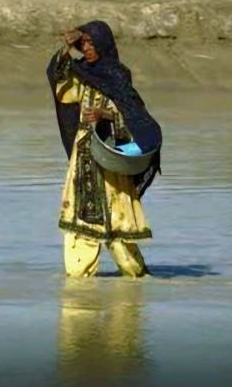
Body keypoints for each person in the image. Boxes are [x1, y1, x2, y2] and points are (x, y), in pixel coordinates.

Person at [48, 21, 162, 278]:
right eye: (83, 43)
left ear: (102, 44)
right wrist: (66, 48)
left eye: (91, 42)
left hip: (110, 157)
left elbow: (133, 115)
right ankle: (78, 286)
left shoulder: (118, 75)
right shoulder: (80, 72)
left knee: (118, 225)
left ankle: (135, 279)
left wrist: (105, 115)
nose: (86, 47)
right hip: (83, 156)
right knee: (79, 228)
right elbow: (60, 84)